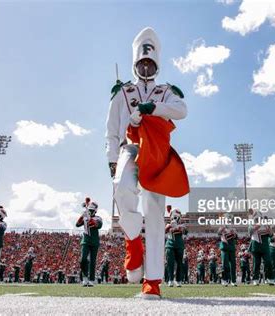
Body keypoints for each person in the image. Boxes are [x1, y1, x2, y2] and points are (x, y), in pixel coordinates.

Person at [106, 27, 188, 299]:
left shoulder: (166, 92)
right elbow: (111, 129)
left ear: (157, 64)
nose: (145, 66)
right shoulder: (122, 92)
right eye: (141, 62)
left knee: (154, 212)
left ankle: (152, 281)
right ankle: (133, 241)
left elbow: (182, 110)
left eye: (150, 62)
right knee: (121, 189)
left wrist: (155, 108)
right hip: (129, 148)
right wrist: (111, 159)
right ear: (135, 63)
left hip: (156, 153)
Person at [75, 199, 103, 287]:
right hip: (86, 241)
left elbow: (96, 224)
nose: (90, 211)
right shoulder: (85, 216)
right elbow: (77, 224)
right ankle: (85, 278)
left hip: (94, 242)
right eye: (89, 210)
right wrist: (83, 215)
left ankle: (91, 280)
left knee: (92, 261)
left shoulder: (98, 218)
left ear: (95, 211)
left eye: (91, 210)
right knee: (83, 259)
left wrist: (88, 216)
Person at [248, 210, 275, 286]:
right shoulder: (251, 223)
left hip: (265, 246)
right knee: (256, 263)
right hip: (255, 245)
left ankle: (270, 278)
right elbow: (249, 232)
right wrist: (256, 227)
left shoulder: (266, 223)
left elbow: (271, 235)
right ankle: (255, 279)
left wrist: (269, 229)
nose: (258, 219)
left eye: (259, 218)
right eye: (256, 218)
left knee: (268, 262)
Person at [165, 206, 187, 287]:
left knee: (180, 264)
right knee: (170, 263)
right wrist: (170, 226)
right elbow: (164, 231)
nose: (175, 218)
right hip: (170, 245)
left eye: (177, 216)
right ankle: (170, 280)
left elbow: (186, 232)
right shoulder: (168, 224)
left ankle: (178, 280)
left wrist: (179, 227)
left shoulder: (182, 225)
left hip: (179, 245)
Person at [218, 218, 238, 286]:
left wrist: (234, 233)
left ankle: (233, 281)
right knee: (225, 265)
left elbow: (236, 237)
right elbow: (218, 233)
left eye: (229, 221)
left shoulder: (233, 228)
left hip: (232, 248)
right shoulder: (222, 227)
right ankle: (224, 280)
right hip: (224, 248)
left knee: (233, 265)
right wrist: (222, 229)